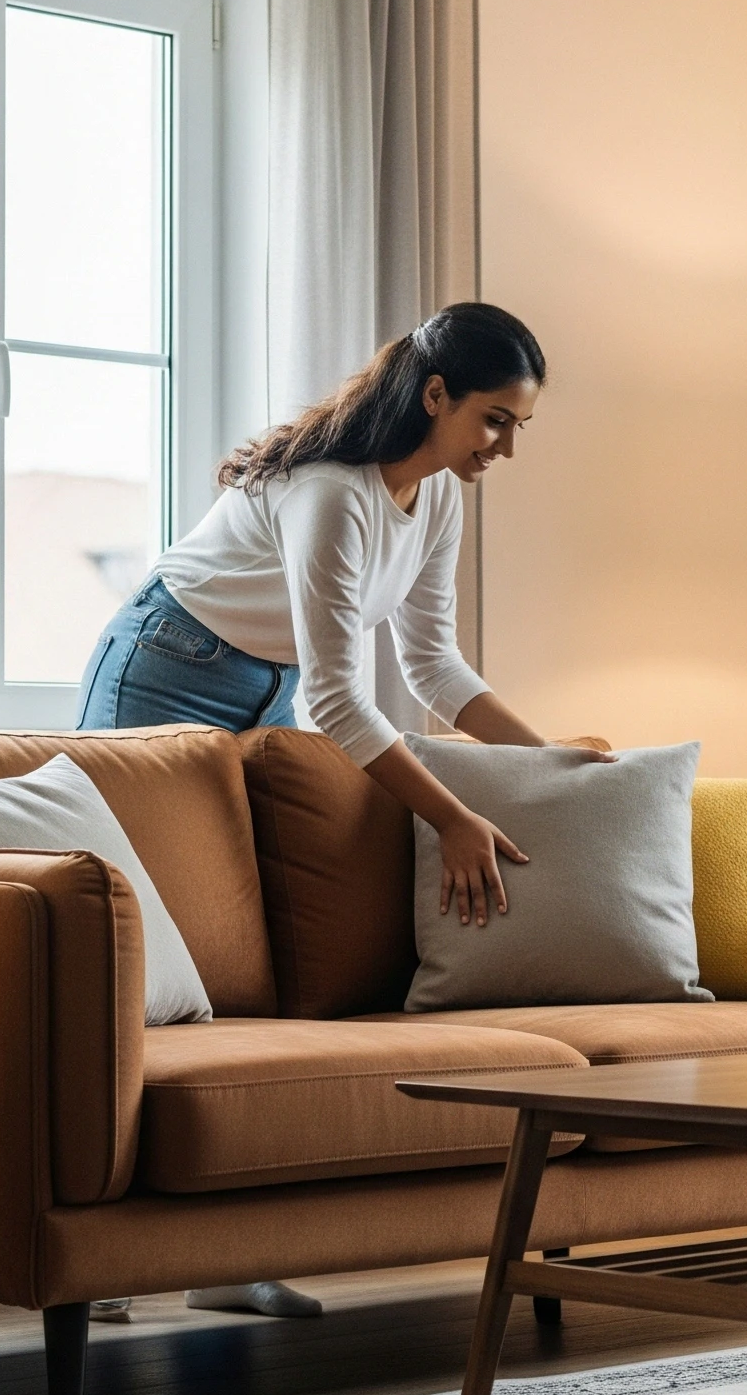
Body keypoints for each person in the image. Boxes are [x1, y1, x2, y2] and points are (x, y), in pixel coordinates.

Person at [77, 301, 608, 1321]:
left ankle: (224, 1253)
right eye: (493, 420)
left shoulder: (437, 497)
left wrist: (544, 761)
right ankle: (104, 1263)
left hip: (267, 680)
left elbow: (431, 665)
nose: (503, 448)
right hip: (167, 664)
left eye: (519, 428)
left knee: (244, 948)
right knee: (136, 948)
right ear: (436, 394)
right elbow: (339, 697)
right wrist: (453, 814)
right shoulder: (330, 494)